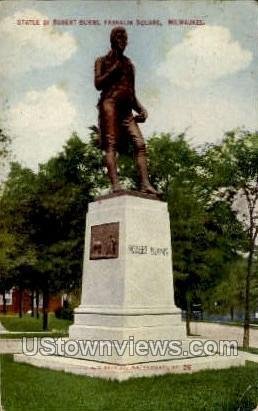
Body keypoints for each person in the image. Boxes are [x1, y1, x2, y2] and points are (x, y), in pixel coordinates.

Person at [94, 26, 158, 195]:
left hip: (126, 110)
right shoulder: (102, 61)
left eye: (125, 39)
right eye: (120, 38)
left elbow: (131, 92)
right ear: (113, 40)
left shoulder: (129, 65)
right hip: (109, 104)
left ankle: (145, 184)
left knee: (140, 144)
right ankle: (116, 185)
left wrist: (141, 108)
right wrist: (112, 70)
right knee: (111, 144)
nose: (123, 42)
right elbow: (98, 84)